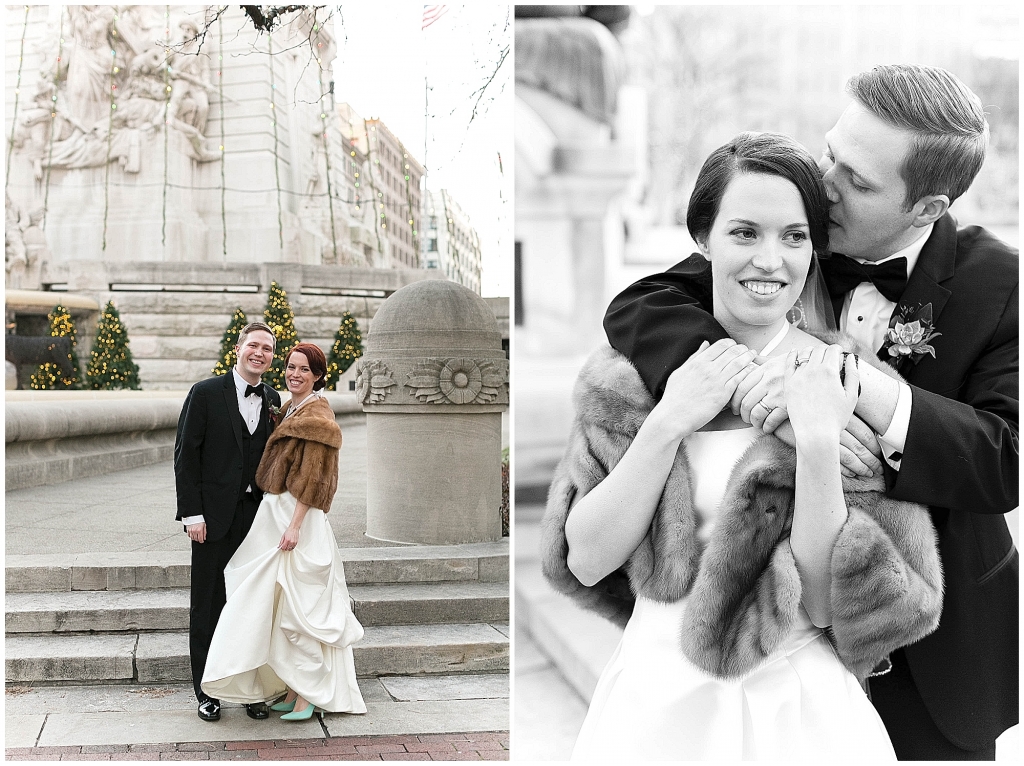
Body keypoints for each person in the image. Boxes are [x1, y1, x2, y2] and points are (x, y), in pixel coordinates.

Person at [603, 64, 1018, 760]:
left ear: (927, 209)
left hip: (933, 658)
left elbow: (1001, 460)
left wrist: (862, 395)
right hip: (775, 633)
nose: (825, 183)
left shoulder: (997, 281)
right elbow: (642, 306)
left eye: (857, 180)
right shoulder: (791, 233)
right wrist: (760, 387)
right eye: (832, 153)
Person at [542, 131, 944, 761]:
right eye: (744, 232)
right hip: (653, 710)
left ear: (814, 249)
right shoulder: (627, 377)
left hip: (800, 715)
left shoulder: (854, 387)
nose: (769, 260)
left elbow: (822, 605)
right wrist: (669, 419)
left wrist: (815, 445)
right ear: (704, 240)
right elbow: (586, 560)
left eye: (794, 236)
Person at [200, 342, 366, 721]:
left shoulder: (318, 415)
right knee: (280, 604)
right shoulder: (293, 406)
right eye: (291, 367)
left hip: (297, 519)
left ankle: (308, 696)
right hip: (278, 513)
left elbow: (313, 477)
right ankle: (292, 690)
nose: (295, 374)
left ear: (319, 376)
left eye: (304, 370)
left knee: (300, 606)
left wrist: (295, 526)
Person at [174, 321, 280, 722]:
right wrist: (192, 514)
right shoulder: (204, 393)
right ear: (238, 349)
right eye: (253, 345)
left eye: (267, 348)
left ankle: (250, 690)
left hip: (257, 522)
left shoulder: (271, 397)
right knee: (207, 605)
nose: (260, 353)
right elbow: (185, 457)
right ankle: (206, 690)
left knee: (251, 606)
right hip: (211, 520)